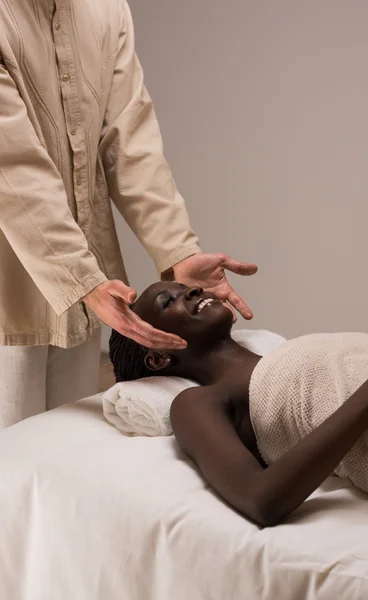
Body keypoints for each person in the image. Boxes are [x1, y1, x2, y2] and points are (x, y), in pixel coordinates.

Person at [0, 0, 257, 427]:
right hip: (13, 286)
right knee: (9, 457)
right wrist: (82, 279)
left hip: (92, 285)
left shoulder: (106, 9)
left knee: (73, 444)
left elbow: (130, 139)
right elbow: (14, 168)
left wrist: (178, 251)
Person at [110, 281, 368, 527]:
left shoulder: (282, 354)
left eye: (188, 287)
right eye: (168, 301)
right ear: (158, 357)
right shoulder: (197, 402)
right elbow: (259, 499)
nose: (194, 290)